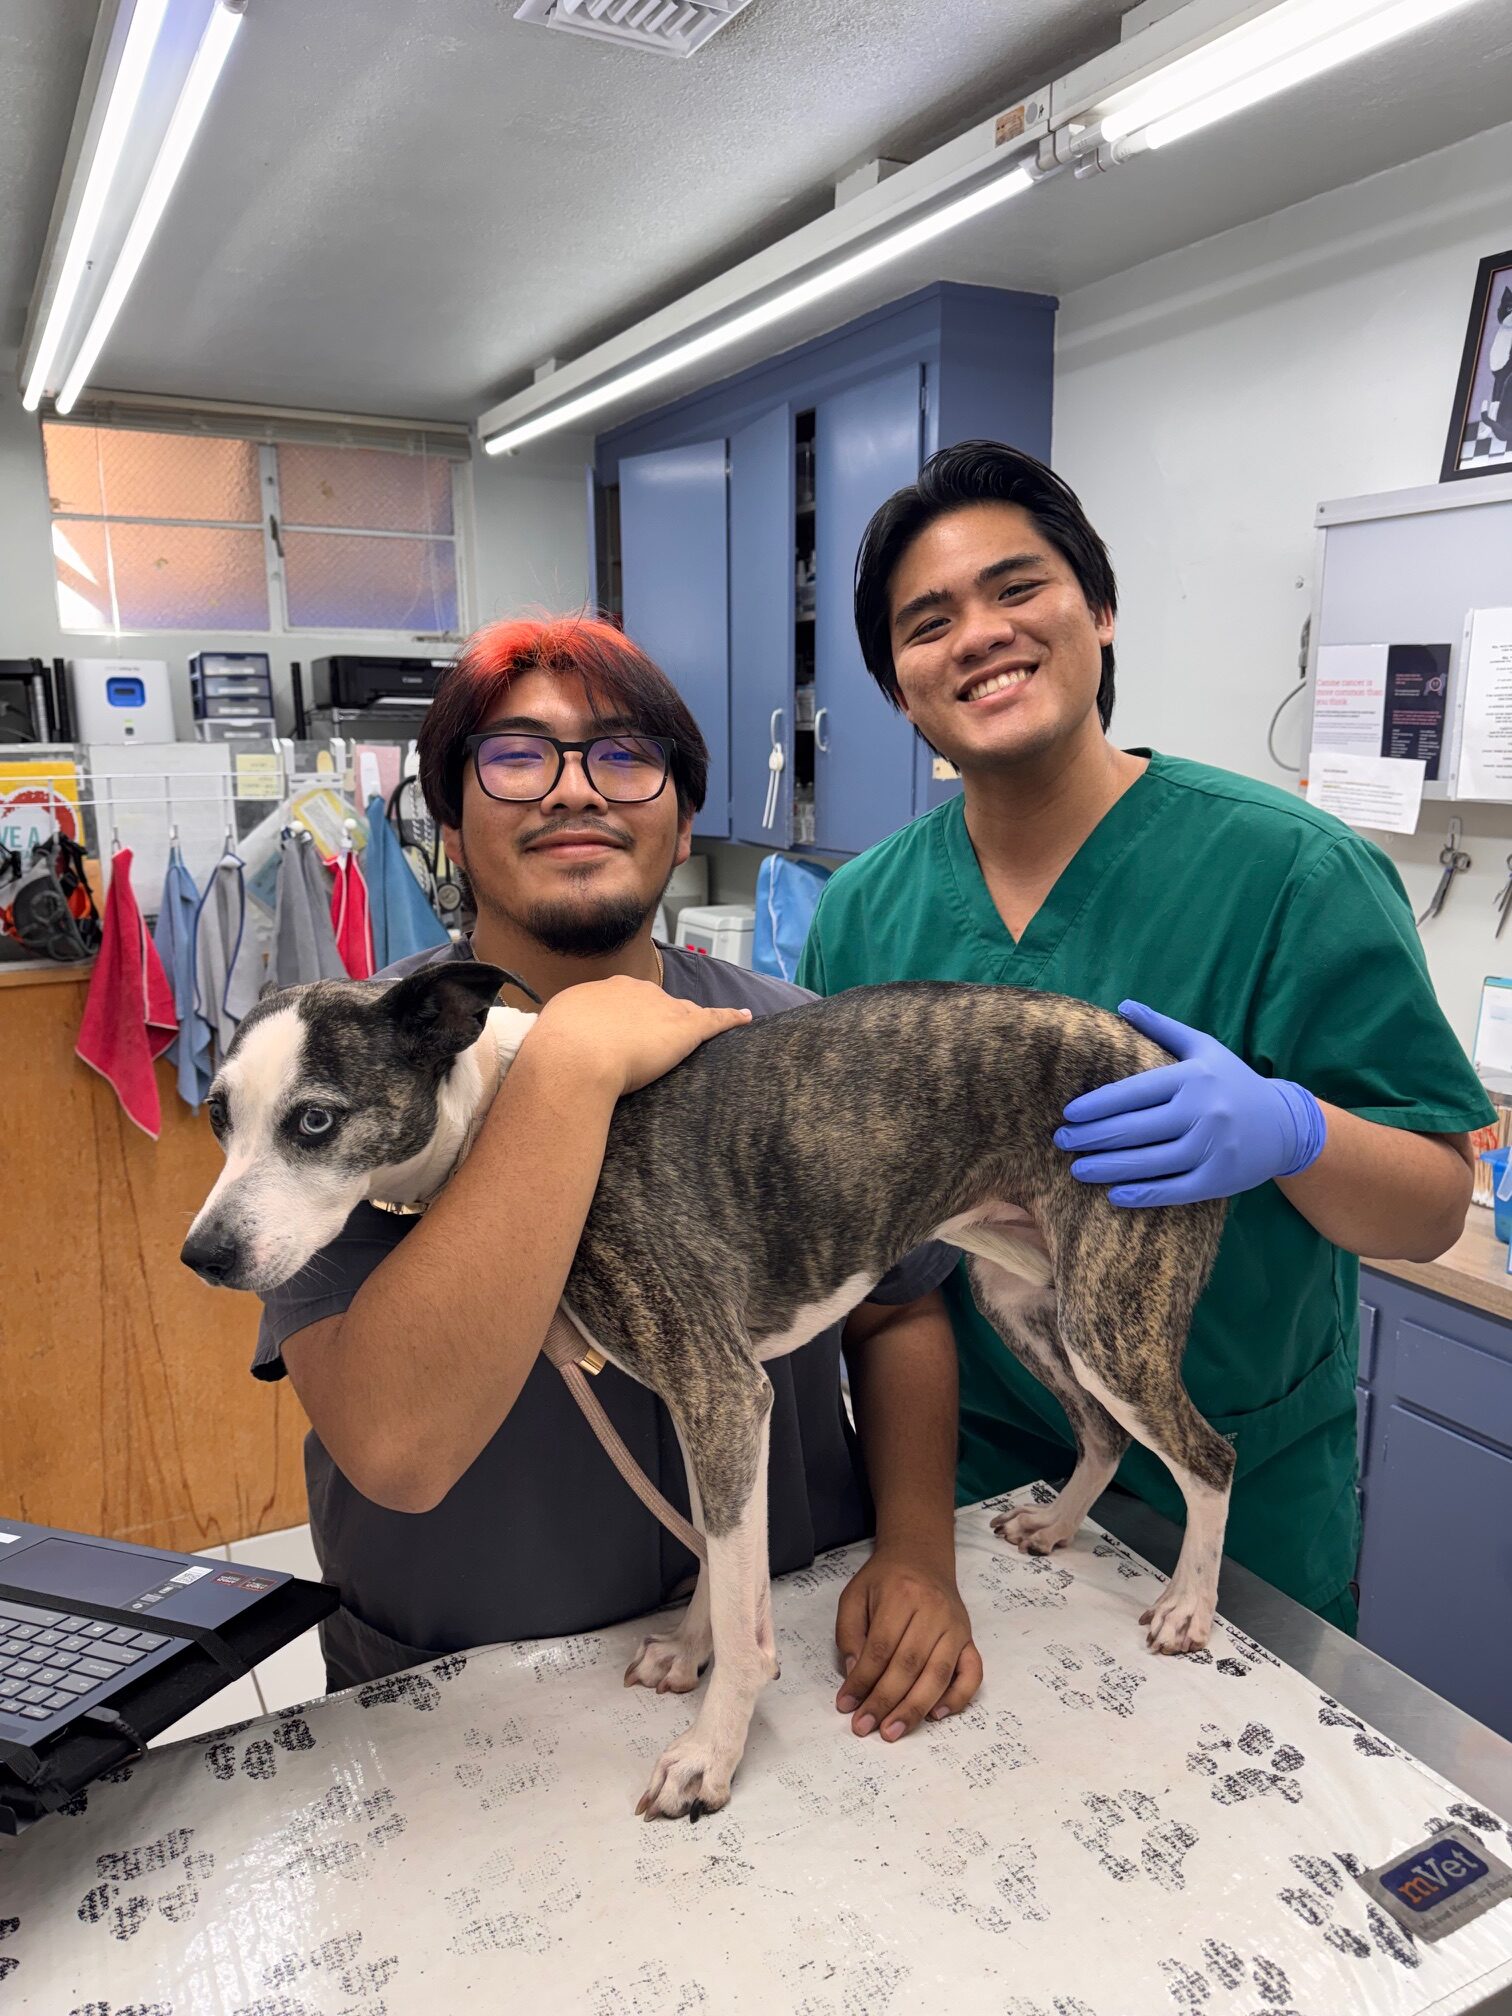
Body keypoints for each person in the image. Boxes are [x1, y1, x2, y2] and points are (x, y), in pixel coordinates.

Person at [797, 441, 1493, 1631]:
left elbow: (1433, 1206)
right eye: (928, 623)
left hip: (1245, 1503)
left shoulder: (1294, 872)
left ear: (1099, 611)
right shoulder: (866, 910)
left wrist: (1293, 1133)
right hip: (963, 1498)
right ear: (901, 690)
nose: (979, 634)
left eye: (1018, 589)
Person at [252, 614, 980, 1747]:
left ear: (684, 820)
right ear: (449, 821)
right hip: (463, 1686)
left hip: (783, 1639)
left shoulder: (795, 1044)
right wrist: (569, 1066)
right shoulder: (346, 1063)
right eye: (515, 755)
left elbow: (902, 1310)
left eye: (625, 755)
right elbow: (394, 1443)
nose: (573, 790)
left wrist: (918, 1552)